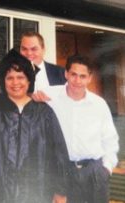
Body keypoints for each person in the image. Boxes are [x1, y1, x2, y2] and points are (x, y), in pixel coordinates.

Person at [0, 49, 70, 203]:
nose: (15, 83)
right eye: (10, 78)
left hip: (36, 189)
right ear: (3, 81)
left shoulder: (43, 112)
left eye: (20, 77)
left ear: (29, 80)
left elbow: (58, 153)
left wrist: (60, 191)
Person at [32, 55, 119, 203]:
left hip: (95, 173)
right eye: (73, 74)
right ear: (66, 74)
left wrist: (106, 168)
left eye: (82, 76)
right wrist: (34, 98)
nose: (77, 81)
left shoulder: (99, 104)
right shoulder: (49, 96)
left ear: (89, 78)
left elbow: (110, 140)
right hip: (62, 174)